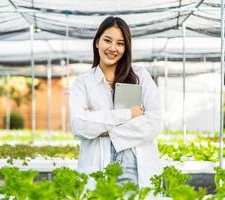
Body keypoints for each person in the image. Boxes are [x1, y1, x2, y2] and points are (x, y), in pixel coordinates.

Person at [69, 16, 162, 187]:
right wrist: (128, 114)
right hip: (97, 165)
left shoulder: (141, 76)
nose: (113, 48)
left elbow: (154, 123)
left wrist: (99, 124)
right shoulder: (83, 82)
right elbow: (79, 125)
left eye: (120, 43)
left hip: (135, 164)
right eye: (107, 40)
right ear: (97, 42)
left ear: (126, 47)